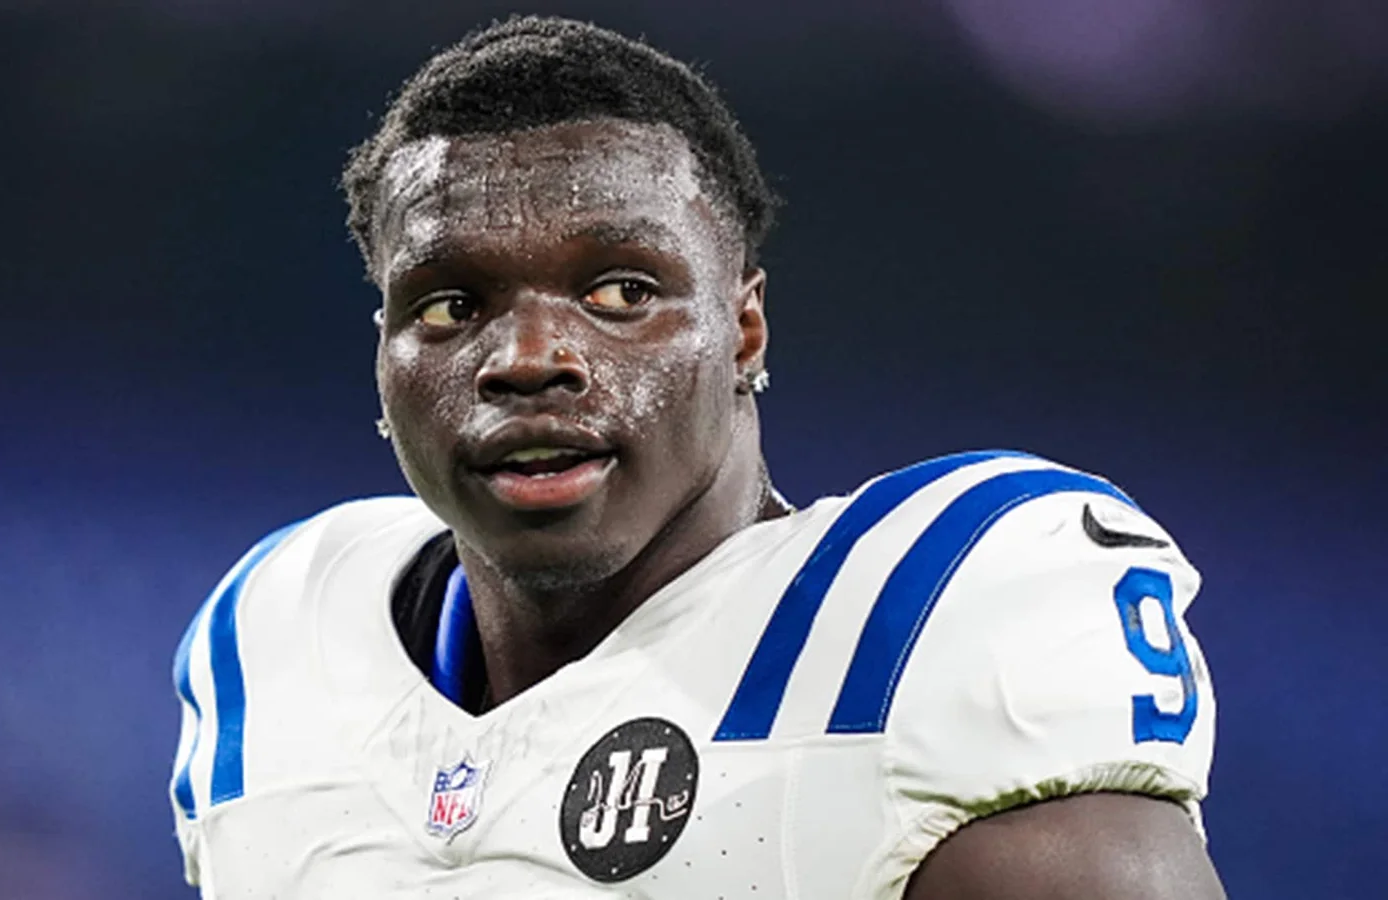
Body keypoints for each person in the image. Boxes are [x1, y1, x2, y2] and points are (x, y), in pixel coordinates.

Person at [167, 16, 1223, 899]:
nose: (528, 358)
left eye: (622, 292)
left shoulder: (919, 624)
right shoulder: (276, 642)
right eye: (450, 305)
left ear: (743, 330)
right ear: (385, 353)